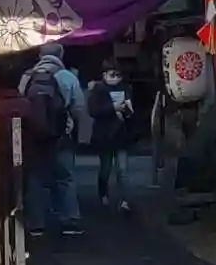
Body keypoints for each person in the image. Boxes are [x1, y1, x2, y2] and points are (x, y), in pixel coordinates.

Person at [20, 42, 84, 236]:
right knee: (65, 177)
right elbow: (79, 108)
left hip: (34, 135)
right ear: (61, 55)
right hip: (61, 136)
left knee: (35, 177)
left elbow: (21, 102)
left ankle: (36, 224)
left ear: (40, 55)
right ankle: (69, 221)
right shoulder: (67, 76)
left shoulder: (28, 76)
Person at [86, 65, 137, 209]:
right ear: (104, 75)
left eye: (118, 75)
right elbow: (93, 110)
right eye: (112, 75)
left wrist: (128, 110)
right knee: (106, 168)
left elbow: (131, 112)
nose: (115, 78)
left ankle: (125, 200)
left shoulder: (125, 89)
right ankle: (103, 194)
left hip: (121, 134)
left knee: (123, 169)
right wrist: (113, 108)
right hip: (105, 134)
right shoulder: (98, 90)